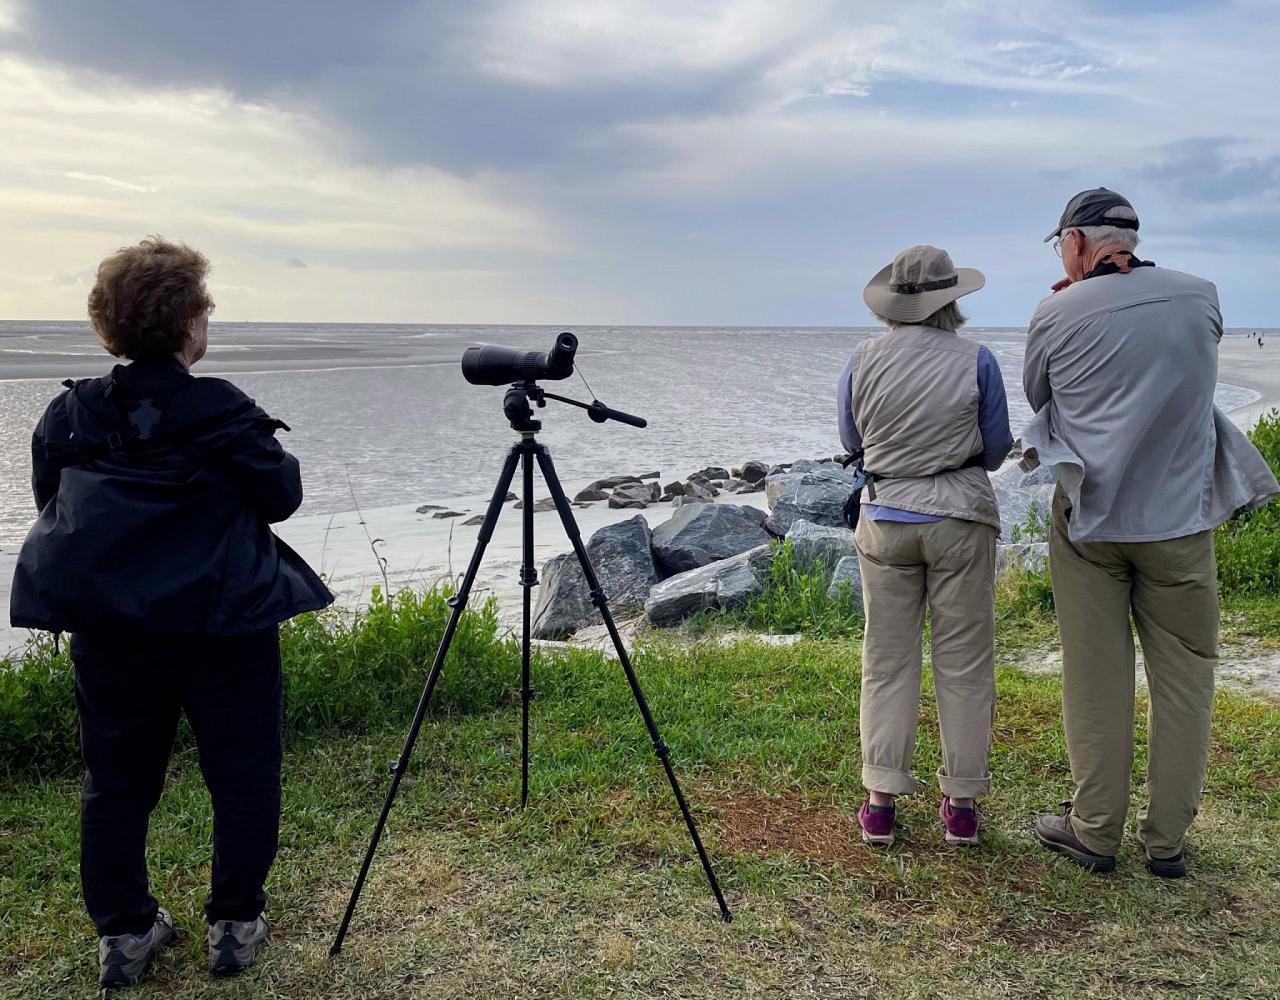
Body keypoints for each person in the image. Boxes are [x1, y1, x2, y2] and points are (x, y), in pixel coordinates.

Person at [9, 237, 333, 986]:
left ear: (108, 327)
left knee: (115, 782)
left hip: (112, 625)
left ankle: (124, 933)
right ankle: (235, 923)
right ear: (192, 324)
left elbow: (51, 505)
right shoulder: (220, 408)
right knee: (243, 774)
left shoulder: (71, 412)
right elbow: (281, 497)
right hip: (224, 624)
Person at [1023, 189, 1278, 877]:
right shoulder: (1202, 296)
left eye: (1060, 246)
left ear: (1075, 243)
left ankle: (1094, 831)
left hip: (1092, 521)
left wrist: (1071, 301)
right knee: (1187, 678)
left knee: (1096, 676)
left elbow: (1039, 397)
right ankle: (1166, 843)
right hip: (1180, 520)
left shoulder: (1054, 309)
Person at [837, 245, 1013, 848]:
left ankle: (881, 800)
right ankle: (961, 804)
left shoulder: (861, 360)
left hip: (885, 517)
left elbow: (852, 440)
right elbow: (995, 450)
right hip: (960, 518)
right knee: (963, 660)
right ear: (952, 301)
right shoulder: (978, 360)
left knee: (887, 658)